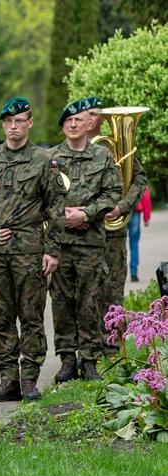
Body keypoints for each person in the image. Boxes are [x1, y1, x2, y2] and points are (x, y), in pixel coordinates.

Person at [0, 98, 66, 402]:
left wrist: (51, 250)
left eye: (19, 121)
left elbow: (55, 209)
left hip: (30, 250)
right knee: (2, 318)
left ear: (30, 122)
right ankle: (8, 379)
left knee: (31, 317)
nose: (13, 127)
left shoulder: (43, 160)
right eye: (8, 121)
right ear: (3, 124)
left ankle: (29, 377)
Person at [50, 101, 122, 382]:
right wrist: (62, 215)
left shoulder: (102, 157)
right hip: (60, 243)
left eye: (79, 120)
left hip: (91, 242)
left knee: (90, 302)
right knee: (61, 303)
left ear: (88, 123)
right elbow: (41, 197)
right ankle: (68, 359)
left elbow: (113, 192)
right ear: (63, 126)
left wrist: (86, 213)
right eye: (68, 121)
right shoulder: (51, 157)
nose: (73, 124)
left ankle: (90, 359)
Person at [84, 96, 147, 357]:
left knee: (112, 293)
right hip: (83, 235)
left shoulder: (116, 148)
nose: (89, 119)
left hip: (112, 235)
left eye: (95, 114)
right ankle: (85, 353)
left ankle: (113, 353)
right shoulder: (66, 150)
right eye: (85, 114)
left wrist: (122, 207)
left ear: (102, 118)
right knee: (84, 296)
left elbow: (139, 179)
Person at [128, 186, 151, 282]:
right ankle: (133, 273)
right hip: (135, 212)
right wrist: (146, 217)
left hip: (120, 212)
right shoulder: (138, 173)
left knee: (118, 243)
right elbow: (146, 198)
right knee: (134, 244)